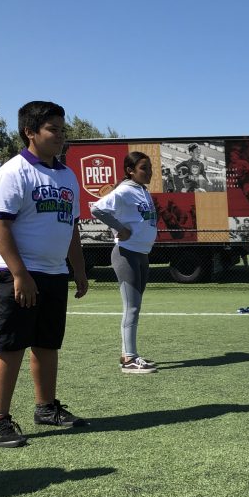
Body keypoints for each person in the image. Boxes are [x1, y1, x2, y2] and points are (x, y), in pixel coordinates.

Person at [0, 101, 89, 448]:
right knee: (11, 344)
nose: (60, 136)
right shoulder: (11, 172)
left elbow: (71, 227)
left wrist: (79, 270)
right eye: (52, 130)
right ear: (30, 132)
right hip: (13, 272)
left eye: (62, 129)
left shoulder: (66, 175)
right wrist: (19, 274)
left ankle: (46, 407)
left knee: (47, 342)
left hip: (54, 271)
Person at [89, 151, 160, 374]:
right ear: (130, 171)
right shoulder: (124, 191)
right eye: (143, 168)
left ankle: (127, 353)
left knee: (135, 307)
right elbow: (96, 208)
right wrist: (119, 228)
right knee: (132, 307)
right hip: (126, 254)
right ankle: (130, 359)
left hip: (141, 254)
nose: (149, 172)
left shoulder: (141, 191)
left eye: (149, 168)